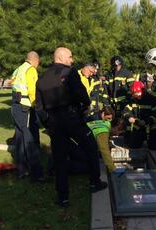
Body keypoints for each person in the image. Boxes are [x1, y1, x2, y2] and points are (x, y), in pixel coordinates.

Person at [35, 47, 108, 207]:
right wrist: (87, 105)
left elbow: (38, 107)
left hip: (54, 122)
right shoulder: (70, 72)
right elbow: (80, 92)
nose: (72, 60)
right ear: (60, 57)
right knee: (91, 147)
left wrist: (48, 122)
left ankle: (63, 197)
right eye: (70, 56)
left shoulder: (42, 78)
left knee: (60, 158)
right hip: (72, 118)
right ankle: (95, 182)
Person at [11, 51, 43, 182]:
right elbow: (32, 90)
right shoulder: (31, 70)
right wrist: (38, 106)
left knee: (19, 138)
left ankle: (21, 170)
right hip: (26, 108)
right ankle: (36, 174)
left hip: (15, 106)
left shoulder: (18, 69)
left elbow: (13, 83)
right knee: (29, 140)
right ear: (36, 60)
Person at [122, 81, 156, 150]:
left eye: (138, 94)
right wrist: (129, 117)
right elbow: (126, 111)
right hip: (139, 126)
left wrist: (146, 121)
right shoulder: (133, 100)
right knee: (133, 145)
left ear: (143, 91)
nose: (137, 97)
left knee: (153, 147)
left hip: (151, 127)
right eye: (135, 95)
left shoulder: (152, 100)